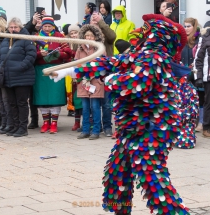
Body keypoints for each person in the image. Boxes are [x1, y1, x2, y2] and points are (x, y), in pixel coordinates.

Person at [51, 13, 190, 215]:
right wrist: (71, 71)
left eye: (146, 28)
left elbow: (137, 84)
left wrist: (110, 81)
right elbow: (110, 63)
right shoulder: (137, 54)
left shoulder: (155, 57)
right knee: (117, 174)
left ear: (157, 34)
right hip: (132, 127)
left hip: (152, 129)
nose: (139, 31)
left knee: (151, 179)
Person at [52, 24, 106, 140]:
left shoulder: (100, 49)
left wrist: (91, 73)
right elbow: (76, 64)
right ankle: (85, 129)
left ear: (95, 37)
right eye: (86, 36)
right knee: (85, 107)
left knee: (95, 107)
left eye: (91, 36)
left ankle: (96, 130)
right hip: (83, 82)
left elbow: (103, 64)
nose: (89, 38)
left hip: (95, 81)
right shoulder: (80, 49)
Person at [0, 17, 37, 137]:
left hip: (22, 77)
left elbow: (31, 55)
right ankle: (14, 125)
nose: (13, 29)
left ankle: (23, 127)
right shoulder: (6, 39)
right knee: (11, 103)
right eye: (11, 27)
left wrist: (20, 67)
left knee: (21, 103)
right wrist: (0, 66)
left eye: (16, 27)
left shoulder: (26, 39)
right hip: (7, 76)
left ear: (20, 28)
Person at [33, 16, 72, 134]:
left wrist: (58, 54)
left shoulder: (60, 37)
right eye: (45, 26)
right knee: (42, 97)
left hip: (56, 69)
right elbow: (31, 53)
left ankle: (54, 123)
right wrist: (40, 53)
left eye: (49, 26)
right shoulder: (36, 38)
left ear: (53, 26)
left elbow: (68, 53)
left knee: (55, 96)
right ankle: (46, 122)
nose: (47, 28)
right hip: (40, 69)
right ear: (42, 26)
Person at [90, 12, 116, 137]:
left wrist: (101, 23)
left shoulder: (106, 34)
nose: (95, 22)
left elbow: (112, 36)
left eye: (97, 20)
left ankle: (107, 126)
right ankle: (96, 127)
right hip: (91, 72)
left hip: (106, 71)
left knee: (106, 102)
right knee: (94, 102)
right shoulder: (87, 35)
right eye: (93, 20)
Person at [181, 18, 204, 134]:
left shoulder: (199, 39)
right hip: (183, 71)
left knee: (200, 97)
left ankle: (201, 122)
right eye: (185, 26)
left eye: (188, 26)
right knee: (185, 97)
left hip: (195, 72)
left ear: (194, 26)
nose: (186, 28)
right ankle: (189, 120)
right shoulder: (182, 39)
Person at [0, 7, 10, 133]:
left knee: (5, 100)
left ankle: (7, 123)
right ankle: (0, 122)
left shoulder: (5, 40)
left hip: (2, 73)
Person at [195, 21, 210, 138]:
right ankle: (206, 127)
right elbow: (198, 59)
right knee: (208, 102)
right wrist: (198, 77)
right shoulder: (205, 38)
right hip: (208, 76)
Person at [67, 24, 82, 130]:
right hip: (71, 76)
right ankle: (76, 122)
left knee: (82, 100)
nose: (73, 35)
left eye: (75, 33)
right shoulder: (67, 45)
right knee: (74, 100)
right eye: (71, 33)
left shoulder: (82, 44)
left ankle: (86, 121)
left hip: (81, 75)